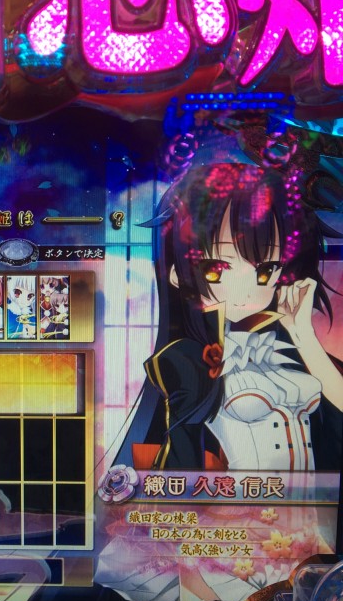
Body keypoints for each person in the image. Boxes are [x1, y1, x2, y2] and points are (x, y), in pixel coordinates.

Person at [113, 129, 343, 473]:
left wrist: (304, 336)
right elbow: (183, 453)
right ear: (177, 274)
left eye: (265, 270)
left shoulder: (292, 347)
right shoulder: (185, 359)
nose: (246, 290)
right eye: (216, 269)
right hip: (239, 501)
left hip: (310, 504)